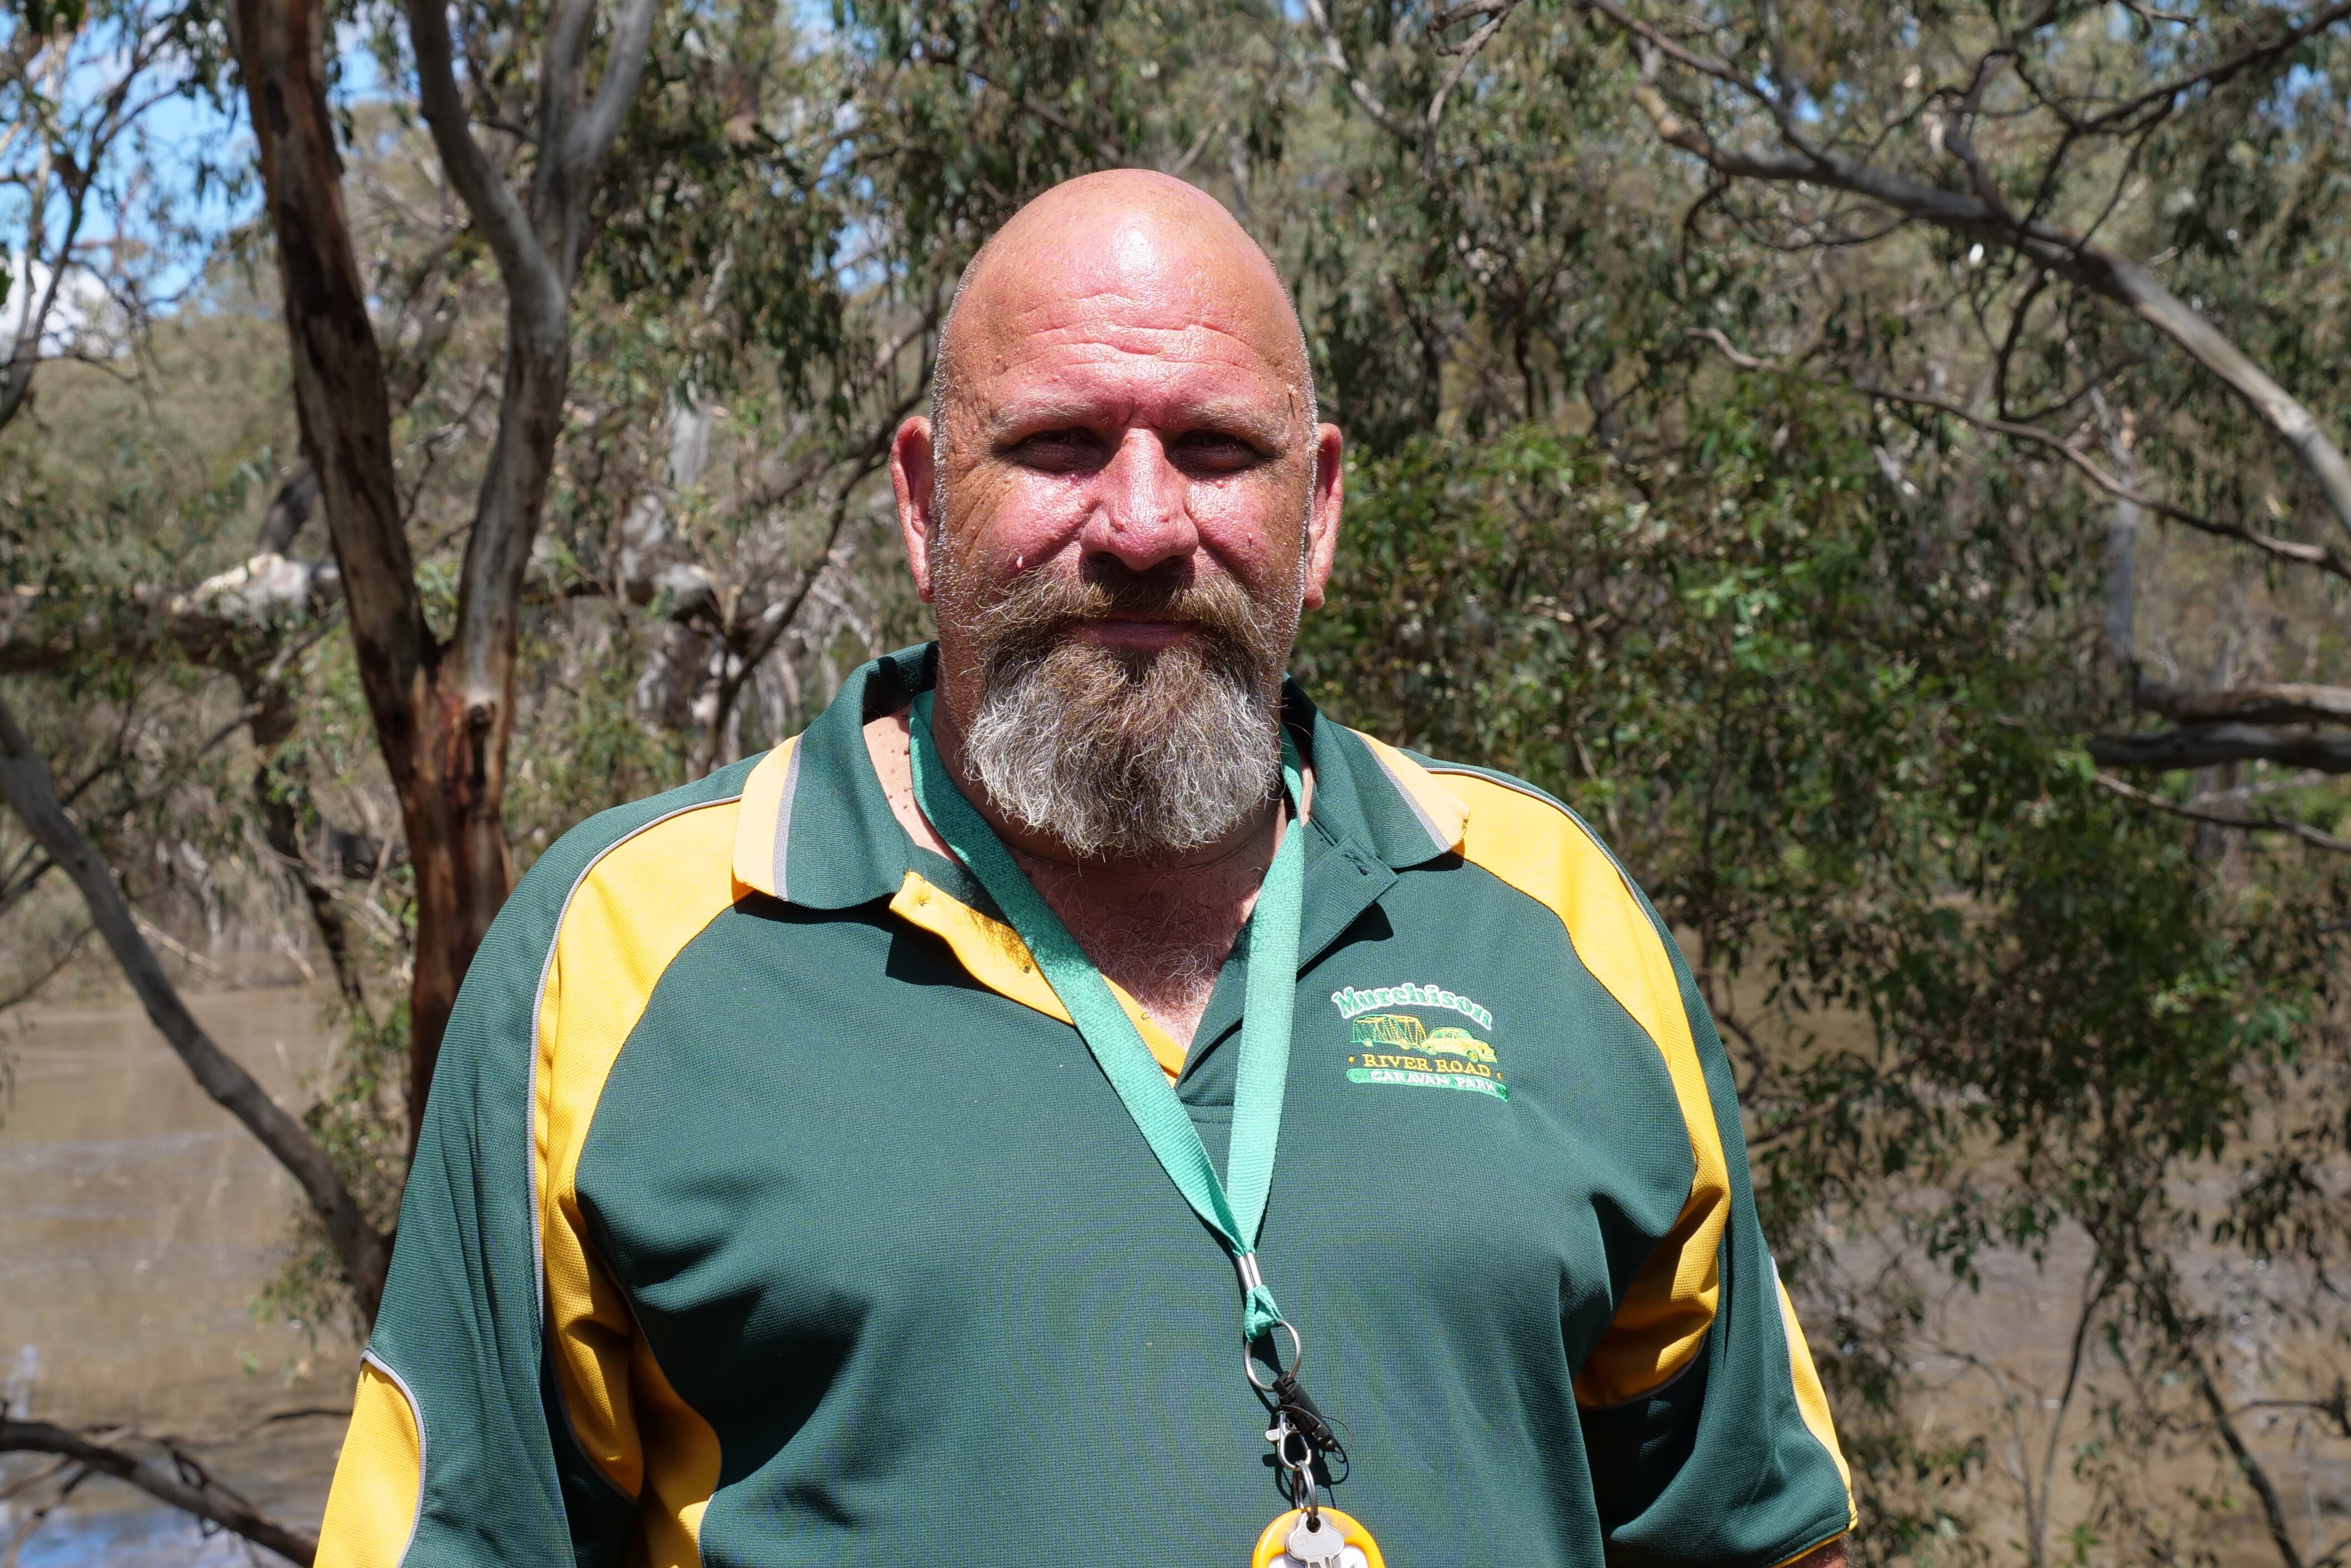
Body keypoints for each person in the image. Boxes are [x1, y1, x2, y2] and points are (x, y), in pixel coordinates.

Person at [312, 170, 1855, 1568]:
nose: (1138, 523)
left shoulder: (1542, 915)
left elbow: (1756, 1537)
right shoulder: (623, 954)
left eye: (1213, 449)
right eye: (1057, 445)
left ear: (1313, 510)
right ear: (921, 501)